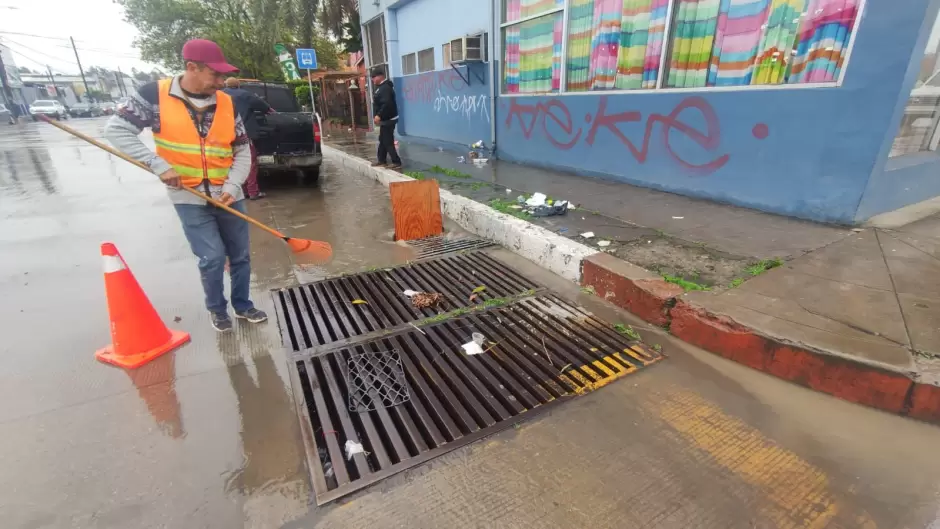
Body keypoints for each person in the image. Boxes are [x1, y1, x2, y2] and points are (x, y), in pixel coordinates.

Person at [104, 39, 267, 333]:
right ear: (191, 67)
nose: (220, 82)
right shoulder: (154, 95)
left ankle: (242, 305)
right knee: (213, 257)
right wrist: (157, 165)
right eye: (214, 75)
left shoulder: (226, 102)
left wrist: (232, 186)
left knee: (240, 255)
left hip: (229, 195)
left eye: (222, 76)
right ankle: (217, 310)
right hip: (188, 197)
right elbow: (116, 130)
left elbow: (242, 149)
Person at [223, 77, 272, 200]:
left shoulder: (218, 95)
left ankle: (241, 191)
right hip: (242, 135)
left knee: (232, 164)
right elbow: (264, 107)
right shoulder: (245, 94)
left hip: (223, 136)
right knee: (249, 162)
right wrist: (272, 112)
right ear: (238, 85)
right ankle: (253, 192)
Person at [370, 68, 401, 168]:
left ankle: (396, 162)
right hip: (385, 119)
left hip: (389, 118)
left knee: (387, 140)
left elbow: (386, 104)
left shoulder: (385, 88)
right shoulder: (381, 87)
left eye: (374, 77)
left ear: (380, 76)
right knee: (382, 139)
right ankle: (382, 160)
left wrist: (379, 115)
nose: (372, 79)